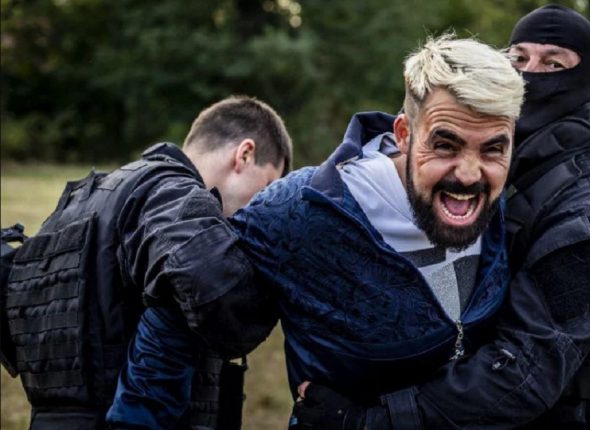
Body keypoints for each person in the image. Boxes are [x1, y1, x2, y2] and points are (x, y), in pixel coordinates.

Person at [111, 34, 525, 430]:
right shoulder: (303, 211)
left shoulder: (501, 203)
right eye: (445, 145)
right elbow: (186, 306)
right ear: (403, 134)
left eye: (493, 148)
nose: (469, 174)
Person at [293, 5, 590, 429]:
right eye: (518, 59)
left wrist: (368, 422)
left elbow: (523, 373)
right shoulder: (522, 161)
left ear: (584, 79)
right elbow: (438, 119)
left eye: (553, 64)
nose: (530, 75)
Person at [2, 95, 291, 430]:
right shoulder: (170, 192)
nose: (262, 206)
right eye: (268, 186)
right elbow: (217, 288)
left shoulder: (71, 209)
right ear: (244, 154)